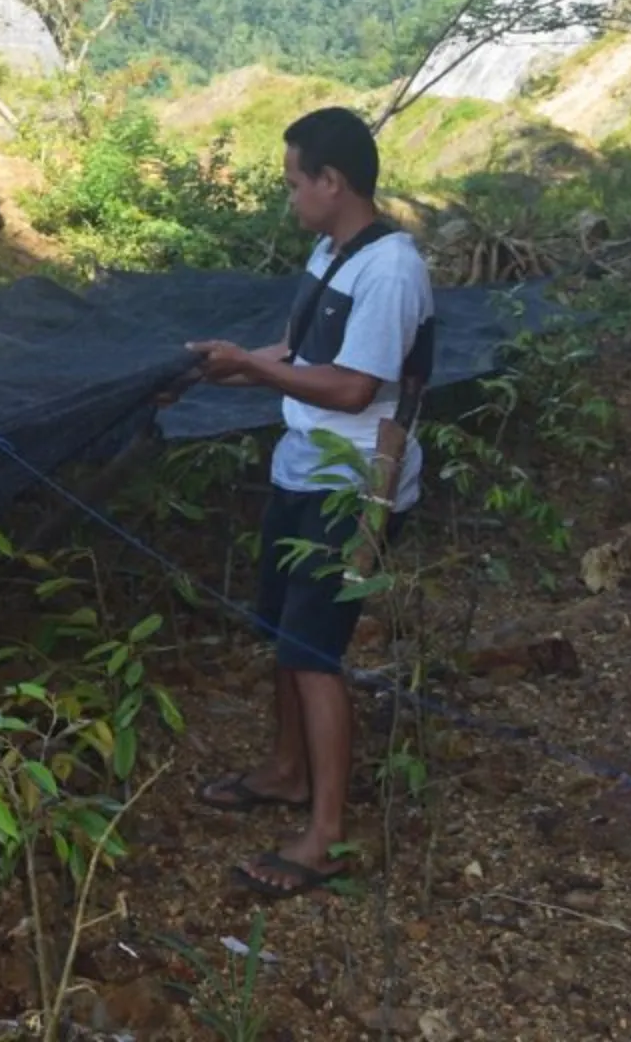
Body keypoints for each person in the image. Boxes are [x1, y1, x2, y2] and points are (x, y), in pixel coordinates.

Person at [181, 106, 435, 899]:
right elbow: (305, 351)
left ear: (334, 181)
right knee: (281, 634)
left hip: (353, 481)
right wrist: (231, 363)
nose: (290, 198)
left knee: (315, 652)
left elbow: (357, 386)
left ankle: (326, 833)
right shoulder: (334, 252)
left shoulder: (390, 270)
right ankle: (288, 772)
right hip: (303, 468)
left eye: (296, 183)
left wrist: (253, 374)